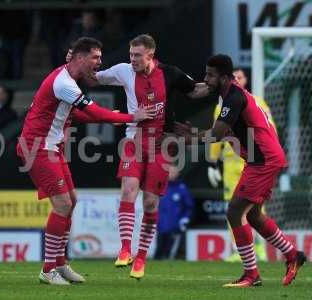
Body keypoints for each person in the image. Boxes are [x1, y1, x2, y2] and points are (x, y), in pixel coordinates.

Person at [16, 37, 155, 286]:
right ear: (80, 57)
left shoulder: (67, 79)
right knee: (61, 205)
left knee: (72, 201)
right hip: (37, 148)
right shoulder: (65, 83)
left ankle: (61, 263)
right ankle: (48, 270)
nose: (99, 62)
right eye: (95, 57)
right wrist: (131, 117)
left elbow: (77, 114)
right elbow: (90, 110)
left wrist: (109, 117)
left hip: (52, 148)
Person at [174, 54, 306, 287]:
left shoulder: (233, 98)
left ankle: (251, 274)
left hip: (262, 160)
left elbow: (216, 135)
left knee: (234, 212)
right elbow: (224, 133)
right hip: (261, 159)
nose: (206, 79)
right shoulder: (231, 95)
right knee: (253, 214)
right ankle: (293, 255)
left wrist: (187, 138)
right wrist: (192, 134)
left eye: (210, 75)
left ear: (225, 77)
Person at [91, 34, 208, 279]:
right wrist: (74, 64)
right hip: (133, 140)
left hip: (161, 145)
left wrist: (221, 86)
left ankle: (141, 258)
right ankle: (125, 250)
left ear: (150, 55)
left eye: (137, 55)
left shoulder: (170, 74)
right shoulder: (123, 71)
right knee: (128, 190)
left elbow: (195, 91)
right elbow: (93, 78)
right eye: (131, 54)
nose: (132, 59)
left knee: (151, 204)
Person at [208, 67, 275, 263]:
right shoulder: (220, 107)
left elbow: (270, 128)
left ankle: (261, 248)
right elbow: (216, 135)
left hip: (255, 161)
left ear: (245, 80)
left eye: (240, 76)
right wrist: (212, 163)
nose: (236, 79)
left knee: (256, 206)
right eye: (233, 77)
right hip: (231, 163)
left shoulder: (257, 102)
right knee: (233, 207)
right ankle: (240, 250)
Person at [154, 165, 194, 260]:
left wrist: (185, 219)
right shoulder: (160, 187)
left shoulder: (182, 189)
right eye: (169, 172)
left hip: (175, 227)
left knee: (171, 253)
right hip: (161, 226)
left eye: (173, 172)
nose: (170, 174)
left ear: (177, 174)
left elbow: (189, 207)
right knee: (159, 252)